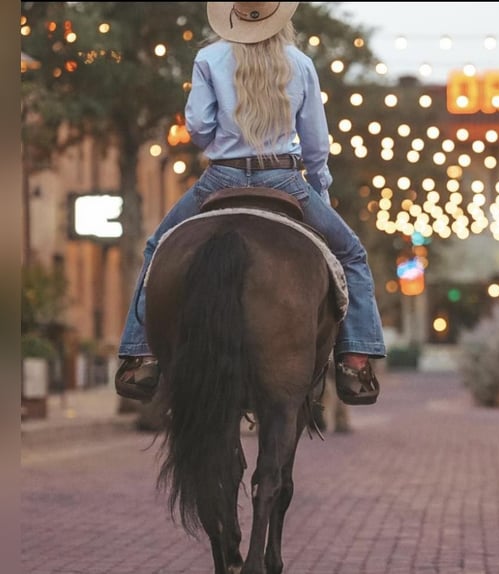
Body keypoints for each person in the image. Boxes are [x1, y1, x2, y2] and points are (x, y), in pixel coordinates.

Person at [115, 1, 385, 406]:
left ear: (232, 15)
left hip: (220, 177)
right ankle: (354, 360)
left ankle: (142, 354)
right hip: (285, 179)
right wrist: (321, 192)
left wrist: (223, 140)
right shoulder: (301, 64)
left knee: (157, 247)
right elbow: (315, 145)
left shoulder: (208, 58)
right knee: (352, 254)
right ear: (280, 17)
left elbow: (200, 129)